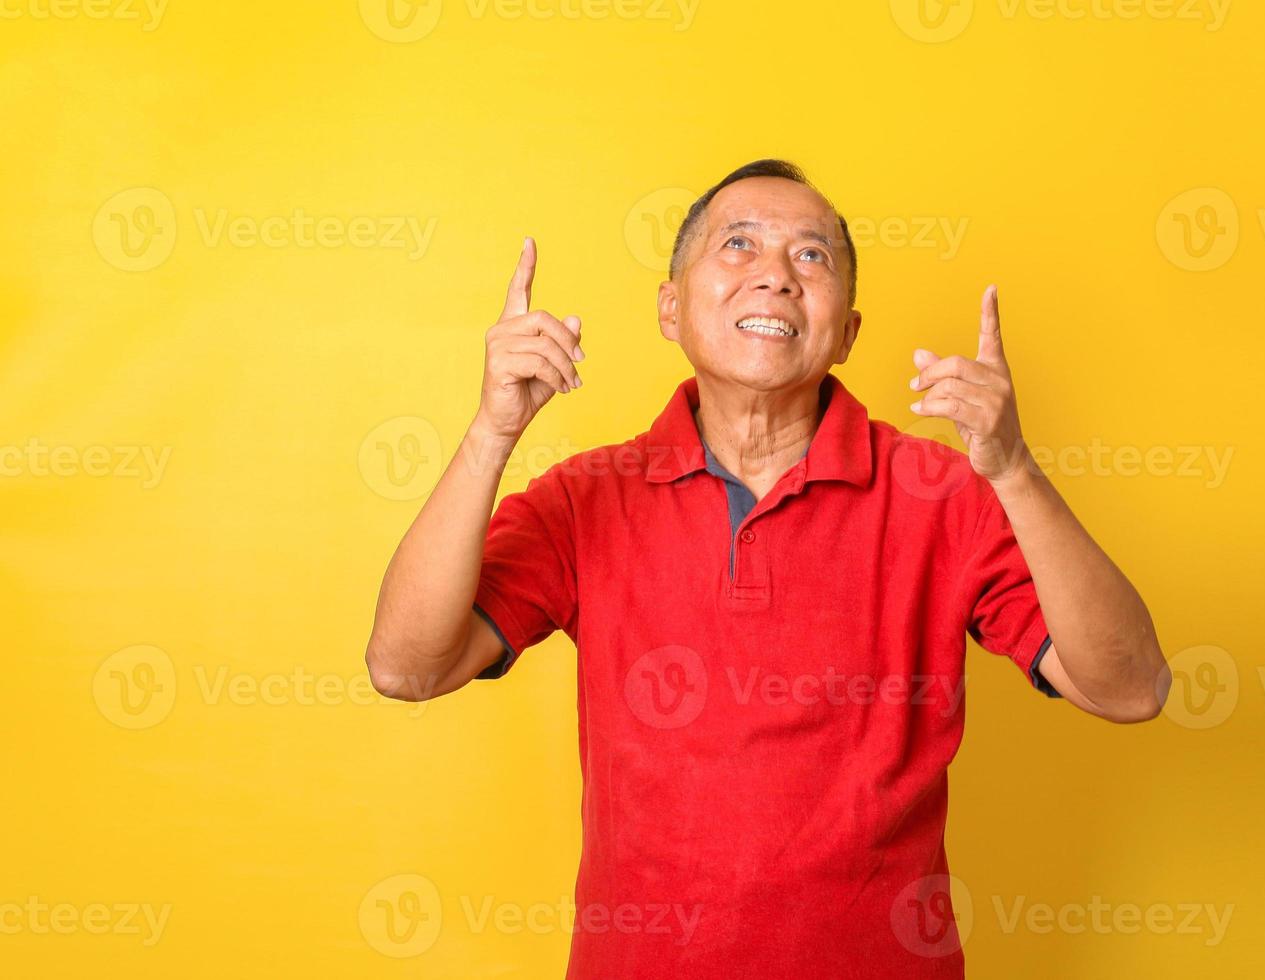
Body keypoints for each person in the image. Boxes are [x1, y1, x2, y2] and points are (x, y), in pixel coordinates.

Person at [365, 159, 1168, 979]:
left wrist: (1014, 471)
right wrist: (492, 432)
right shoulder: (586, 499)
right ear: (670, 309)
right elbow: (405, 666)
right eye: (739, 245)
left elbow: (1130, 688)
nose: (777, 277)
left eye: (811, 257)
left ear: (848, 333)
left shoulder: (941, 495)